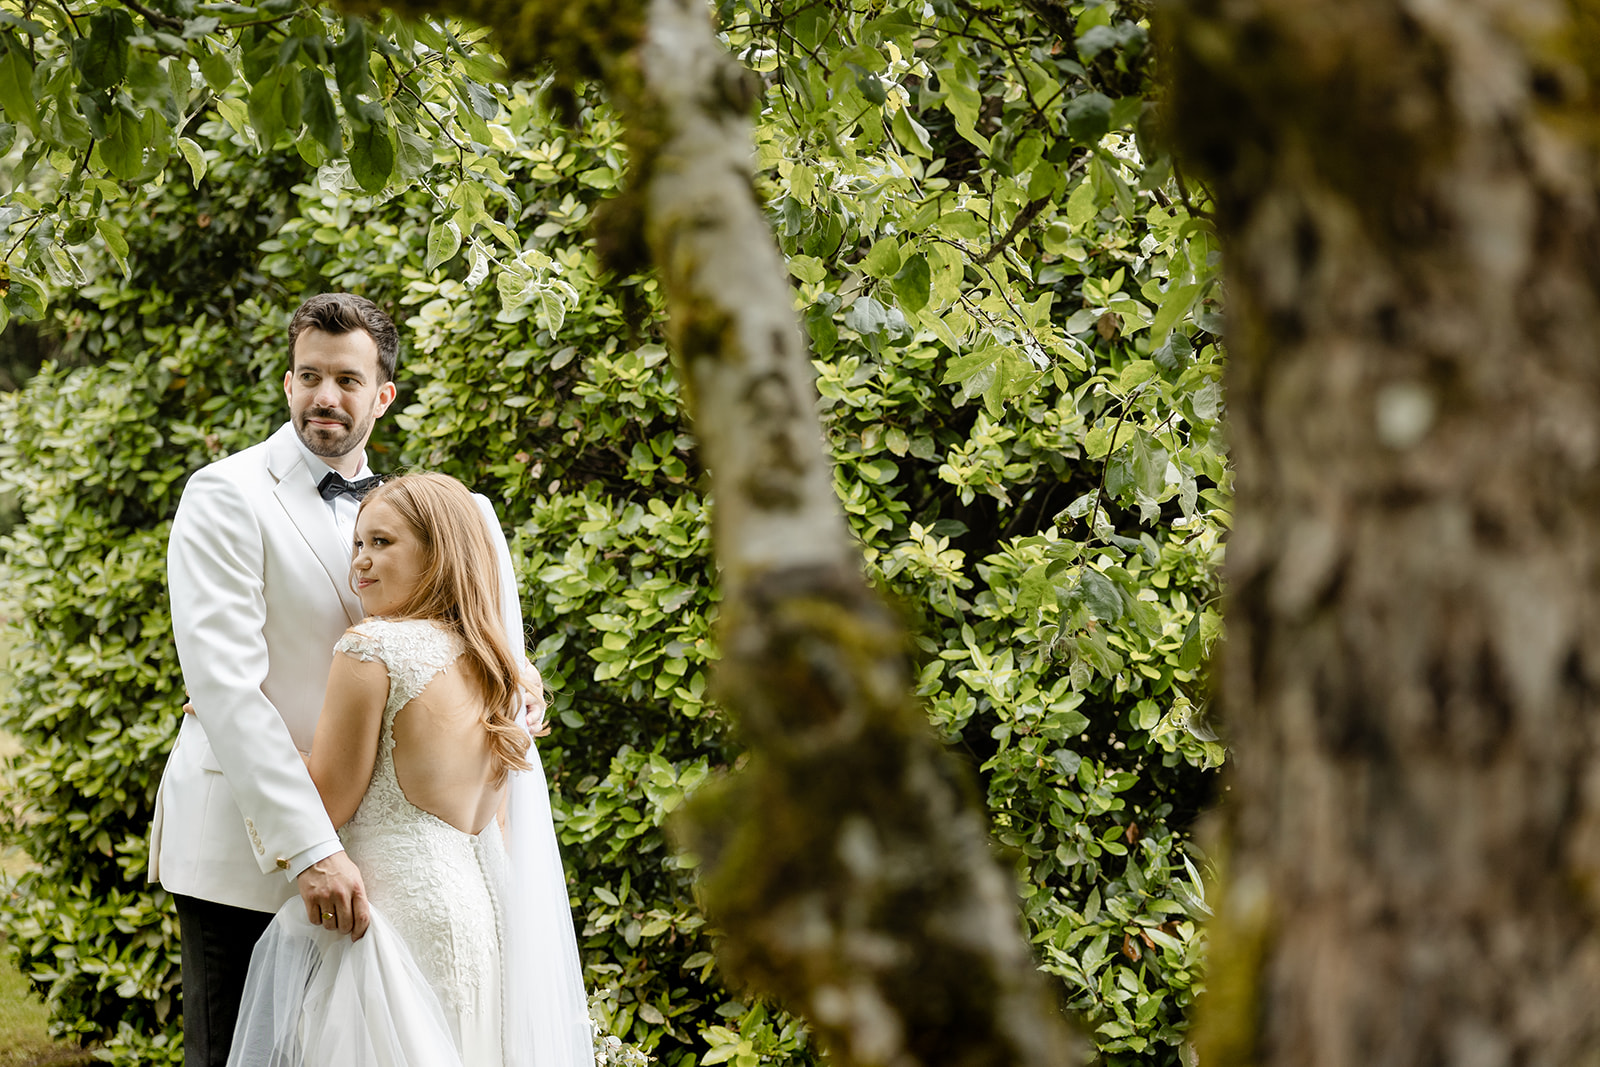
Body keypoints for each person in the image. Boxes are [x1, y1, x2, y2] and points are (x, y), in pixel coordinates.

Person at [147, 293, 538, 1066]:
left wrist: (513, 699)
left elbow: (470, 643)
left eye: (348, 380)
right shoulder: (225, 494)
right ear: (288, 382)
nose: (325, 395)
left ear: (382, 394)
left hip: (384, 870)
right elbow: (227, 690)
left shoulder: (421, 513)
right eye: (310, 376)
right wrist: (312, 849)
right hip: (252, 854)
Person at [226, 473, 592, 1067]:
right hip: (485, 917)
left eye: (382, 542)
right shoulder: (502, 666)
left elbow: (326, 804)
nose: (360, 562)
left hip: (399, 921)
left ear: (437, 552)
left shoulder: (373, 649)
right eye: (358, 544)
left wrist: (242, 728)